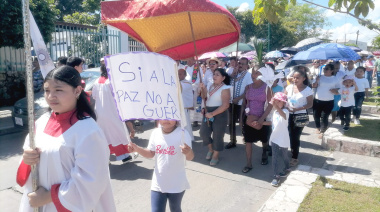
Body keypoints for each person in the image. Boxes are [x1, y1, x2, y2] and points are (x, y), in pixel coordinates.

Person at [17, 66, 116, 211]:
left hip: (66, 205)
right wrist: (27, 159)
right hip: (39, 204)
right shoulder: (41, 122)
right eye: (47, 90)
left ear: (77, 91)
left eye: (58, 90)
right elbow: (28, 159)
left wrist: (48, 197)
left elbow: (92, 181)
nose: (51, 96)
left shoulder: (88, 131)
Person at [128, 120, 194, 212]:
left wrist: (188, 152)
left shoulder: (182, 133)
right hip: (158, 183)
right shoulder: (155, 133)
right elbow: (150, 153)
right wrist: (137, 149)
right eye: (163, 116)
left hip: (177, 183)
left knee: (175, 208)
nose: (166, 120)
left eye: (170, 116)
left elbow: (190, 157)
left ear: (177, 118)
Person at [92, 64, 138, 163]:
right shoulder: (113, 82)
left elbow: (94, 96)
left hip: (100, 114)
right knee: (119, 134)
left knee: (104, 136)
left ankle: (105, 157)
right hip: (112, 113)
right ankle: (124, 156)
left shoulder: (96, 81)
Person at [241, 66, 273, 173]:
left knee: (264, 140)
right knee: (248, 141)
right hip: (249, 118)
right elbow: (245, 103)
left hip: (262, 119)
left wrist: (262, 120)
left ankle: (264, 153)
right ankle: (248, 163)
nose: (253, 75)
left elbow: (270, 105)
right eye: (253, 73)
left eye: (257, 73)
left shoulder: (267, 88)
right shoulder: (248, 87)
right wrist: (242, 118)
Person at [199, 68, 231, 166]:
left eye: (217, 75)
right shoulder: (210, 86)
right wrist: (203, 89)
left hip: (220, 113)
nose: (214, 76)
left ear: (223, 77)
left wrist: (212, 114)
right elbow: (204, 97)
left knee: (218, 135)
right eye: (214, 74)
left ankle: (216, 154)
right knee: (203, 132)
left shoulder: (225, 88)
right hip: (208, 111)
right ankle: (211, 149)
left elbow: (225, 105)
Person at [285, 69, 313, 167]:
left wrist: (297, 109)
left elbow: (310, 104)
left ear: (303, 78)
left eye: (298, 78)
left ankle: (295, 157)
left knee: (295, 136)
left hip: (301, 115)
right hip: (288, 114)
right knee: (288, 134)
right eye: (294, 77)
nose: (295, 79)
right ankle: (290, 150)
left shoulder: (308, 90)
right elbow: (283, 98)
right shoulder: (289, 88)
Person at [225, 57, 253, 149]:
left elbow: (249, 90)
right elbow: (227, 83)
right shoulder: (233, 73)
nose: (240, 65)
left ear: (246, 66)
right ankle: (232, 140)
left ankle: (246, 138)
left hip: (242, 103)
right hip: (231, 102)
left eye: (242, 64)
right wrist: (233, 74)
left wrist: (239, 98)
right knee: (231, 122)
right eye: (239, 63)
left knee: (242, 122)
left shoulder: (249, 75)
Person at [269, 92, 291, 187]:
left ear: (284, 103)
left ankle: (287, 167)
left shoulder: (286, 112)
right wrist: (259, 123)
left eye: (279, 102)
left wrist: (275, 106)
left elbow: (283, 116)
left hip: (283, 138)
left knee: (284, 155)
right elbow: (273, 124)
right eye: (276, 102)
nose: (277, 104)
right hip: (274, 137)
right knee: (275, 157)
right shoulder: (274, 112)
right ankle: (275, 176)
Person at [312, 64, 339, 137]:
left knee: (325, 116)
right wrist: (317, 81)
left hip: (329, 100)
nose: (325, 70)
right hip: (318, 99)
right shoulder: (320, 77)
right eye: (324, 68)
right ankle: (317, 127)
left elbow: (338, 88)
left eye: (327, 69)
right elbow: (313, 86)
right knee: (316, 114)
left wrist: (335, 91)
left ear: (332, 70)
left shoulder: (335, 78)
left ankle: (323, 130)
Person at [178, 65, 194, 141]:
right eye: (178, 74)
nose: (179, 75)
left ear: (185, 75)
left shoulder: (187, 83)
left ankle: (188, 139)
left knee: (185, 124)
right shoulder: (176, 82)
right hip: (177, 107)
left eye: (181, 74)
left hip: (184, 107)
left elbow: (181, 89)